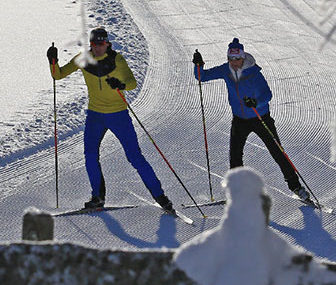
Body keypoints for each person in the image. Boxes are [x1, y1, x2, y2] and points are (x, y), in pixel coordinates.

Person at [47, 27, 174, 212]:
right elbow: (58, 75)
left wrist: (120, 84)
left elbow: (132, 83)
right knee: (90, 156)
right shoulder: (83, 59)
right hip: (95, 115)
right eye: (94, 44)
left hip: (118, 115)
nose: (98, 48)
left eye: (101, 44)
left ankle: (161, 197)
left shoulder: (117, 60)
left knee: (134, 157)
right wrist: (52, 60)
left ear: (107, 43)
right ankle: (97, 197)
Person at [192, 38, 311, 202]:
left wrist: (256, 102)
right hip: (240, 120)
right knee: (235, 156)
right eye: (230, 59)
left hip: (260, 118)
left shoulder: (254, 73)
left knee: (277, 151)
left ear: (243, 57)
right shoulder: (225, 70)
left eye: (237, 59)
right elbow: (202, 77)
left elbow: (267, 94)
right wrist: (198, 65)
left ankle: (296, 187)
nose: (234, 62)